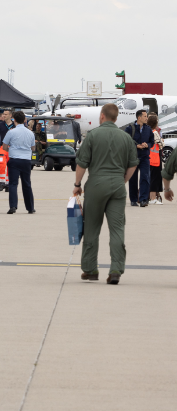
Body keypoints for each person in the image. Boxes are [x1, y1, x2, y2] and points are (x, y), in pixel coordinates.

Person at [73, 103, 137, 284]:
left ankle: (91, 269)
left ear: (102, 116)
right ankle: (116, 269)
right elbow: (133, 164)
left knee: (92, 227)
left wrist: (77, 184)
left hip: (96, 184)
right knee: (117, 229)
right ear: (116, 118)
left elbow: (82, 163)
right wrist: (123, 180)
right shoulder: (126, 138)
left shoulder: (93, 135)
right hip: (117, 185)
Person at [4, 111, 37, 214]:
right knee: (26, 184)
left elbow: (4, 147)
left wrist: (12, 149)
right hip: (26, 160)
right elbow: (33, 147)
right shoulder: (30, 133)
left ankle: (13, 206)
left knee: (13, 184)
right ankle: (30, 207)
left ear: (14, 120)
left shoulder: (11, 132)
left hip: (14, 159)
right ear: (24, 120)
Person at [127, 109, 152, 207]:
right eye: (145, 116)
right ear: (139, 117)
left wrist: (147, 145)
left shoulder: (148, 129)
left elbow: (152, 141)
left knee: (145, 178)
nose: (147, 118)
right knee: (132, 179)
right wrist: (136, 146)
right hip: (133, 157)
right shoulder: (130, 128)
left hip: (145, 157)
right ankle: (133, 199)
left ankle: (143, 200)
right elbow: (126, 141)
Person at [148, 113, 163, 204]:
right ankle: (153, 198)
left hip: (148, 157)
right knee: (155, 178)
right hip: (155, 158)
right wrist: (162, 141)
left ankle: (150, 197)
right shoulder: (155, 132)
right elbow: (161, 145)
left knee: (149, 177)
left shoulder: (147, 131)